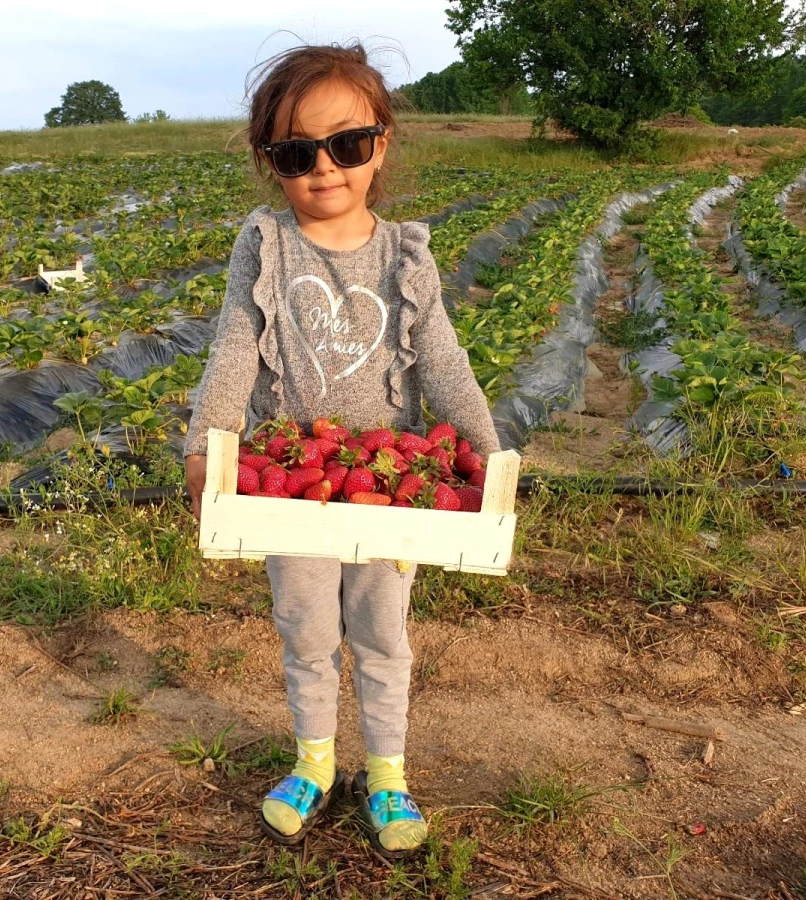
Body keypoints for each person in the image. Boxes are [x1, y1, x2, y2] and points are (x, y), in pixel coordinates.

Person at [182, 41, 501, 859]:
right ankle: (315, 762)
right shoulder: (265, 245)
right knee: (304, 626)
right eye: (296, 154)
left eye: (347, 145)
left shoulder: (406, 255)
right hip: (291, 487)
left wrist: (489, 455)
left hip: (395, 495)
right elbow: (233, 347)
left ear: (380, 143)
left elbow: (444, 362)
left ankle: (386, 773)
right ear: (270, 164)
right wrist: (206, 445)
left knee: (382, 633)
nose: (324, 168)